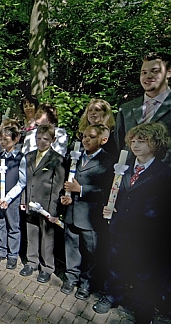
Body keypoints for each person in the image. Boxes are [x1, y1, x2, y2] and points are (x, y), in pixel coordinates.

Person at [93, 122, 171, 323]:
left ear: (155, 143)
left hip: (146, 234)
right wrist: (109, 206)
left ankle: (144, 309)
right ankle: (112, 295)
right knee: (115, 263)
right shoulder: (124, 166)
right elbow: (112, 191)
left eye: (142, 141)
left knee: (143, 273)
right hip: (120, 226)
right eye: (133, 141)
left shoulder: (163, 173)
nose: (135, 145)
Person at [60, 124, 114, 300]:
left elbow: (106, 191)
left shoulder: (108, 161)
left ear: (103, 140)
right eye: (84, 136)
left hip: (90, 216)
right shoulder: (75, 157)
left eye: (91, 137)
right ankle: (70, 278)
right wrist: (67, 195)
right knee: (71, 248)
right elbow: (67, 181)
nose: (86, 140)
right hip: (72, 211)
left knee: (91, 251)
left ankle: (86, 283)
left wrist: (81, 189)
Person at [20, 124, 65, 283]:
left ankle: (47, 267)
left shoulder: (57, 160)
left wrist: (52, 210)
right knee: (31, 233)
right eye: (39, 138)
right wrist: (23, 200)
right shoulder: (29, 156)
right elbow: (26, 181)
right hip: (30, 202)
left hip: (46, 205)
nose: (41, 142)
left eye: (46, 139)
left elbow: (57, 186)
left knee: (47, 237)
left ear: (53, 140)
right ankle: (32, 261)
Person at [115, 52, 171, 165]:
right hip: (129, 178)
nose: (148, 76)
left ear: (169, 73)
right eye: (144, 72)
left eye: (155, 71)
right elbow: (119, 147)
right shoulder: (126, 109)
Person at [0, 126, 26, 269]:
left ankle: (12, 254)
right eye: (1, 139)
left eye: (6, 139)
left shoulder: (20, 158)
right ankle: (1, 250)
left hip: (12, 198)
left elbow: (22, 181)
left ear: (15, 139)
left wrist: (8, 198)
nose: (2, 142)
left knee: (13, 227)